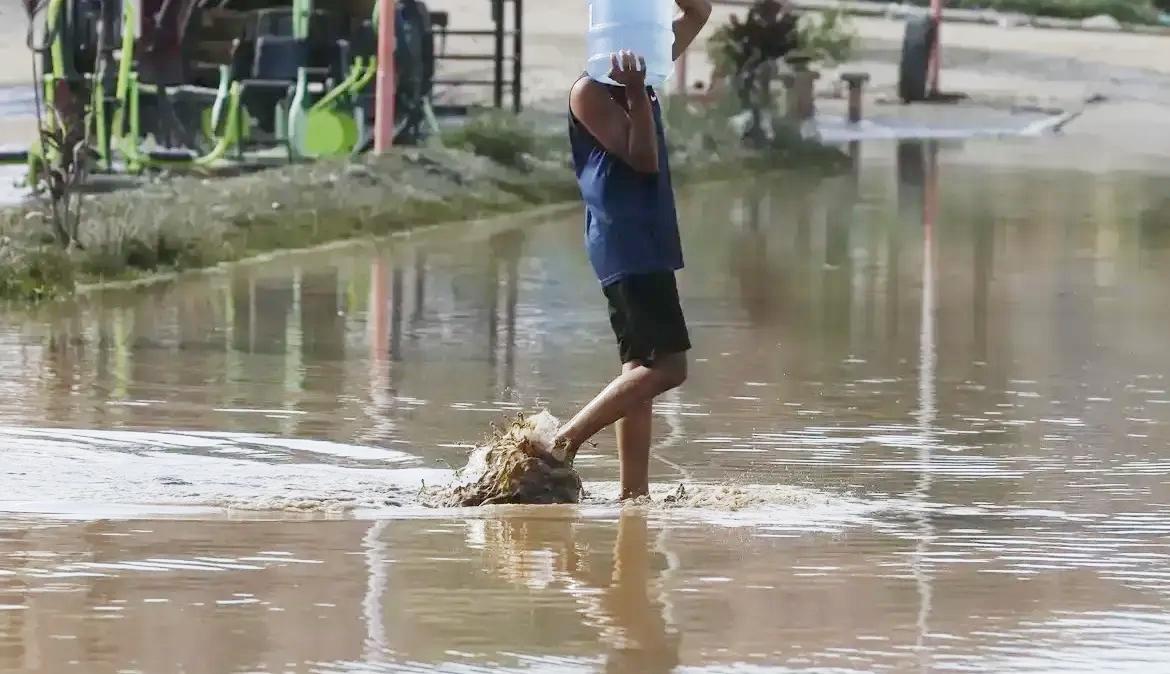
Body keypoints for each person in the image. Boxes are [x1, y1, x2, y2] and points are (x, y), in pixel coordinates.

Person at [554, 0, 712, 500]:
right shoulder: (589, 92)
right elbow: (642, 161)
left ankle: (633, 494)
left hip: (646, 236)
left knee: (639, 371)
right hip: (626, 241)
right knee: (668, 367)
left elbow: (699, 13)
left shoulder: (643, 71)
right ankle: (564, 441)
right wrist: (637, 94)